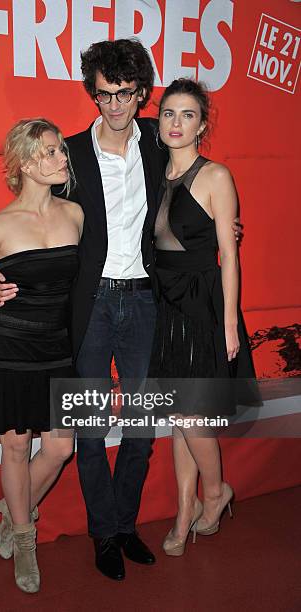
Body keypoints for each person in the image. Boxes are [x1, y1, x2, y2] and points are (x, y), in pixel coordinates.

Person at [0, 39, 243, 580]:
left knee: (142, 426)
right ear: (92, 94)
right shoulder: (71, 155)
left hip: (149, 301)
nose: (116, 105)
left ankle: (125, 525)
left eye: (127, 94)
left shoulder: (158, 144)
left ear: (141, 94)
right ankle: (102, 531)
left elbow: (193, 201)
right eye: (105, 95)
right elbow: (33, 212)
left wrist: (224, 229)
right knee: (87, 427)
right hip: (92, 304)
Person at [0, 118, 83, 593]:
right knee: (15, 446)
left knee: (59, 447)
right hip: (10, 349)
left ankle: (13, 507)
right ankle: (22, 536)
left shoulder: (75, 214)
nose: (61, 159)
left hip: (60, 348)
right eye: (51, 152)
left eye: (60, 151)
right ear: (26, 163)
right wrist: (2, 338)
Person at [148, 78, 257, 556]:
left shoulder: (216, 176)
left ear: (202, 124)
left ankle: (216, 493)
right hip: (163, 302)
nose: (176, 123)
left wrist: (229, 323)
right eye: (169, 113)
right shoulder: (152, 173)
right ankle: (184, 509)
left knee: (192, 417)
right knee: (178, 417)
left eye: (187, 114)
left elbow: (229, 256)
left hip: (202, 303)